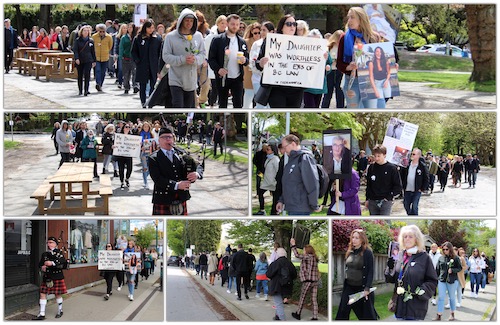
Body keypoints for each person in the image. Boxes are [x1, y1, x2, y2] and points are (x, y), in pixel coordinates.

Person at [385, 225, 437, 320]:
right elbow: (392, 279)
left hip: (415, 309)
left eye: (410, 236)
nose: (407, 239)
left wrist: (421, 291)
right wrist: (389, 267)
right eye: (405, 236)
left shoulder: (424, 257)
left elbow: (432, 280)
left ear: (416, 239)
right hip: (399, 306)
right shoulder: (400, 255)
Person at [148, 127, 203, 215]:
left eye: (170, 137)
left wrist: (197, 174)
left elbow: (198, 165)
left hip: (181, 197)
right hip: (163, 199)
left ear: (173, 139)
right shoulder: (153, 158)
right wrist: (177, 185)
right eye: (164, 137)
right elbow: (157, 179)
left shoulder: (181, 153)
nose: (168, 139)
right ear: (159, 140)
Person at [256, 15, 304, 107]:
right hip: (276, 89)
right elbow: (258, 63)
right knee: (280, 116)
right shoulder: (270, 41)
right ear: (281, 27)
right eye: (289, 24)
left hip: (296, 89)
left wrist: (322, 59)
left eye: (294, 24)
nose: (292, 27)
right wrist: (261, 63)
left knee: (293, 118)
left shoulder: (303, 44)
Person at [337, 7, 379, 108]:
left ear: (361, 19)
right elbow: (339, 63)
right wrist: (349, 67)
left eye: (352, 17)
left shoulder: (374, 37)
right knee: (353, 114)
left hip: (369, 81)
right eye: (348, 18)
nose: (349, 21)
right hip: (352, 81)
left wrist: (391, 65)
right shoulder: (344, 37)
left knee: (371, 112)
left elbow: (380, 59)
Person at [163, 8, 206, 107]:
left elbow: (203, 54)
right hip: (175, 78)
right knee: (178, 105)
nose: (189, 23)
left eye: (191, 21)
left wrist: (195, 59)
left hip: (191, 80)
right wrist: (182, 59)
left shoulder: (198, 36)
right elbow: (166, 56)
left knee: (188, 107)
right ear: (181, 21)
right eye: (186, 20)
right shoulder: (170, 37)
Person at [208, 14, 249, 108]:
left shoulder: (242, 41)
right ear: (227, 24)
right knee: (222, 104)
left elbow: (247, 59)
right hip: (222, 78)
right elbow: (211, 59)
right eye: (232, 24)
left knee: (238, 104)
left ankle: (238, 122)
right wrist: (218, 69)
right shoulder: (217, 40)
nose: (235, 26)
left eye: (237, 24)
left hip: (237, 77)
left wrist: (244, 60)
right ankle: (223, 122)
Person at [335, 229, 377, 320]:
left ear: (362, 239)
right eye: (353, 237)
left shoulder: (367, 252)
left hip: (361, 289)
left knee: (364, 315)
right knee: (343, 311)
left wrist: (367, 288)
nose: (354, 240)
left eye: (357, 238)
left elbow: (370, 271)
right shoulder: (350, 251)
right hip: (349, 287)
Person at [276, 134, 319, 215]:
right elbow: (288, 183)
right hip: (292, 206)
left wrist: (314, 204)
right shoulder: (292, 160)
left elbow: (312, 183)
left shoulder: (304, 158)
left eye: (285, 147)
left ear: (293, 144)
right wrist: (281, 200)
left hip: (300, 207)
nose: (284, 150)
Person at [33, 237, 67, 320]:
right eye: (48, 242)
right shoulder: (44, 254)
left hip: (57, 277)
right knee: (42, 294)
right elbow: (40, 264)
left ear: (55, 244)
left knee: (57, 295)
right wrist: (42, 267)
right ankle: (42, 313)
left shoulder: (60, 253)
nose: (49, 244)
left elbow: (64, 263)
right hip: (47, 277)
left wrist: (52, 263)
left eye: (51, 242)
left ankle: (60, 310)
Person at [131, 19, 162, 108]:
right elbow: (133, 51)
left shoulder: (157, 38)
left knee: (153, 85)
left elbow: (160, 52)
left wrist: (159, 66)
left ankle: (151, 102)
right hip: (142, 65)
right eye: (149, 28)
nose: (151, 30)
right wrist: (137, 61)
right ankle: (143, 102)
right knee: (143, 86)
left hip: (154, 66)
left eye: (152, 28)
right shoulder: (138, 38)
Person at [365, 144, 402, 215]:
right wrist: (367, 199)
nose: (376, 158)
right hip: (372, 201)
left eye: (379, 156)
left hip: (385, 201)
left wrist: (390, 196)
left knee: (385, 222)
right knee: (374, 223)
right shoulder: (371, 168)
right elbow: (369, 185)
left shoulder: (392, 168)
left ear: (384, 155)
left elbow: (398, 186)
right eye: (375, 156)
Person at [291, 238, 321, 321]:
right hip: (315, 281)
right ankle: (315, 317)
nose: (303, 251)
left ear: (307, 251)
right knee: (314, 299)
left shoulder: (308, 257)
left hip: (307, 282)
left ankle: (298, 314)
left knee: (302, 298)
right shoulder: (315, 258)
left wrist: (293, 245)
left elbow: (297, 255)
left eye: (304, 250)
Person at [266, 247, 297, 321]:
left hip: (276, 286)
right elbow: (294, 275)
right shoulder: (290, 264)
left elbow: (268, 274)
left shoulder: (275, 263)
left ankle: (282, 320)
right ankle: (277, 316)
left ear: (277, 254)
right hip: (287, 286)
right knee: (279, 302)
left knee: (278, 303)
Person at [433, 242, 462, 321]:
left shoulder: (455, 258)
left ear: (450, 249)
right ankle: (439, 315)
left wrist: (452, 270)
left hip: (452, 281)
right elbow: (437, 270)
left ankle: (452, 314)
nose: (445, 251)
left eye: (447, 249)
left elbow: (460, 268)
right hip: (442, 280)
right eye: (443, 249)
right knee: (441, 297)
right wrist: (436, 278)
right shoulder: (441, 258)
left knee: (451, 298)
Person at [400, 148, 429, 215]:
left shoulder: (422, 166)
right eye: (411, 154)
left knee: (414, 205)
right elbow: (402, 175)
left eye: (413, 154)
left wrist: (422, 188)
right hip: (407, 189)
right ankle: (410, 215)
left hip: (417, 190)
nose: (412, 155)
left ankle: (415, 217)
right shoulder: (407, 165)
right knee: (406, 205)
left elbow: (426, 178)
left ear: (418, 155)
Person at [322, 30, 345, 108]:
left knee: (339, 92)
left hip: (340, 71)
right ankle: (324, 109)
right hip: (330, 71)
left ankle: (340, 109)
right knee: (328, 92)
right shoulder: (329, 47)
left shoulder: (344, 47)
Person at [73, 25, 96, 96]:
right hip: (80, 60)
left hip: (88, 60)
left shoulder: (91, 40)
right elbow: (75, 50)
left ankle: (86, 90)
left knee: (87, 75)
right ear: (81, 32)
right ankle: (80, 90)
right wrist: (76, 58)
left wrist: (94, 60)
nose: (86, 32)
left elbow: (93, 51)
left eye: (87, 31)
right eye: (84, 31)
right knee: (80, 75)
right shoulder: (77, 40)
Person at [242, 22, 261, 108]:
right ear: (251, 33)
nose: (257, 35)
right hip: (249, 74)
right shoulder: (246, 42)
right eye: (255, 33)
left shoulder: (265, 43)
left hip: (260, 76)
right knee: (247, 99)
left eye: (259, 32)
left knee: (259, 103)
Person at [91, 24, 113, 91]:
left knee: (103, 72)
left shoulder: (109, 37)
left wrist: (106, 51)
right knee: (98, 70)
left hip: (105, 57)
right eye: (100, 31)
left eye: (103, 31)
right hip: (96, 57)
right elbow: (92, 46)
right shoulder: (94, 37)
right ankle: (98, 83)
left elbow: (110, 46)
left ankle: (100, 84)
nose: (102, 33)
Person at [260, 144, 280, 215]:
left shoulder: (276, 159)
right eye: (266, 149)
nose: (266, 151)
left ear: (273, 151)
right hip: (266, 181)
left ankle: (275, 212)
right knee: (260, 193)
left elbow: (278, 171)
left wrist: (275, 181)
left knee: (275, 198)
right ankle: (262, 210)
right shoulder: (268, 158)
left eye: (268, 149)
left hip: (272, 182)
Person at [120, 23, 136, 95]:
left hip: (134, 58)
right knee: (126, 74)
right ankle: (126, 87)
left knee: (135, 72)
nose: (129, 29)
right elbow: (121, 47)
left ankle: (135, 86)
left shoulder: (135, 37)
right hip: (126, 58)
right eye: (128, 27)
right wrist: (121, 56)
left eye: (131, 27)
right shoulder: (124, 37)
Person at [139, 121, 154, 188]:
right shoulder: (140, 134)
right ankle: (145, 182)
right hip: (143, 153)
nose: (146, 127)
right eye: (144, 126)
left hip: (150, 153)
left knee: (151, 168)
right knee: (145, 168)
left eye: (147, 126)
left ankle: (145, 176)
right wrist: (140, 146)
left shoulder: (151, 134)